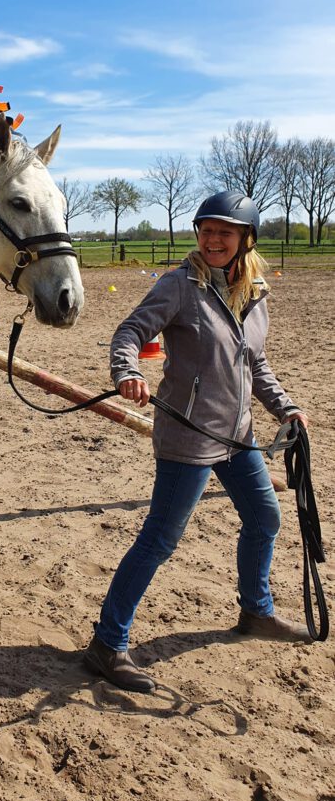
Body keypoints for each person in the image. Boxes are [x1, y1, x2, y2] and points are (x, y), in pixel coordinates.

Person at [83, 191, 311, 693]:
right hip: (188, 436)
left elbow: (255, 364)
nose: (212, 240)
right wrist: (126, 372)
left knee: (264, 517)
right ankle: (107, 643)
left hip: (238, 434)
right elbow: (130, 330)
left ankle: (256, 613)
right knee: (160, 539)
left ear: (244, 240)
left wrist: (286, 407)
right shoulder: (179, 286)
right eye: (207, 230)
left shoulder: (253, 295)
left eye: (224, 233)